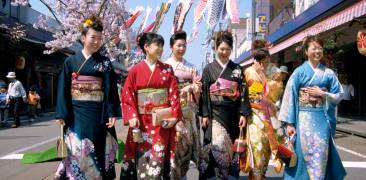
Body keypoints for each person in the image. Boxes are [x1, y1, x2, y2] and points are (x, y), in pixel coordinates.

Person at [54, 15, 121, 179]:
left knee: (97, 149)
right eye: (93, 37)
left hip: (98, 114)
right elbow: (63, 88)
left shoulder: (105, 62)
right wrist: (62, 113)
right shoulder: (70, 61)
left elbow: (110, 89)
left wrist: (111, 112)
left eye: (99, 38)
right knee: (77, 149)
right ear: (83, 38)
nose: (97, 41)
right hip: (75, 114)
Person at [279, 35, 346, 180]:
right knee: (302, 155)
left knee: (320, 154)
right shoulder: (299, 72)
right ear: (306, 52)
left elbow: (339, 94)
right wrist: (290, 123)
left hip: (322, 119)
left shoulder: (329, 73)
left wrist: (323, 94)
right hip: (303, 119)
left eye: (320, 48)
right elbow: (290, 96)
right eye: (314, 48)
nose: (318, 51)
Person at [120, 32, 181, 179]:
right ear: (146, 47)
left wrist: (174, 117)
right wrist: (132, 116)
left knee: (158, 158)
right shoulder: (135, 70)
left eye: (162, 45)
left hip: (161, 123)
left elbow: (174, 95)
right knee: (142, 157)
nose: (160, 48)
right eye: (157, 45)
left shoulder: (167, 69)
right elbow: (127, 96)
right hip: (141, 123)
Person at [199, 31, 251, 179]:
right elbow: (204, 93)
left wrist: (243, 114)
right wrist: (204, 114)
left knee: (230, 148)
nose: (224, 52)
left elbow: (243, 93)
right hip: (214, 113)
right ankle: (216, 175)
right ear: (216, 48)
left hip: (233, 114)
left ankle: (227, 175)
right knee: (218, 143)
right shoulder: (209, 69)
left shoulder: (237, 69)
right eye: (221, 49)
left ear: (231, 49)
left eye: (227, 49)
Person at [243, 48, 285, 179]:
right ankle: (255, 176)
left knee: (266, 147)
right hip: (253, 113)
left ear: (269, 59)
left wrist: (262, 76)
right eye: (260, 62)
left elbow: (275, 94)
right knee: (256, 145)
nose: (263, 65)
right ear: (255, 60)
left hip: (268, 114)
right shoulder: (248, 71)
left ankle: (262, 175)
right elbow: (244, 92)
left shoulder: (276, 72)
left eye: (266, 61)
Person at [164, 31, 201, 178]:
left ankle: (183, 175)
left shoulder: (191, 67)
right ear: (171, 46)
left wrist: (191, 87)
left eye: (184, 46)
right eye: (178, 45)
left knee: (185, 145)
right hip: (171, 111)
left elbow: (198, 86)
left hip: (187, 112)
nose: (181, 48)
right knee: (172, 144)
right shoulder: (165, 66)